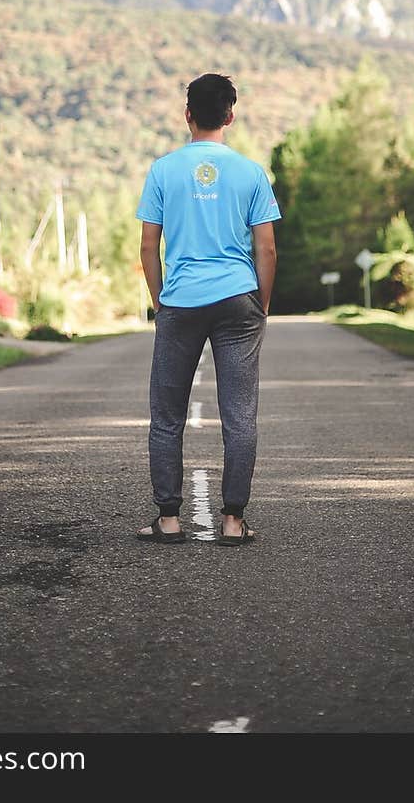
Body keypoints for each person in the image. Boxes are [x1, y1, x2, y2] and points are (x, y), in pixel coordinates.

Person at [135, 73, 281, 547]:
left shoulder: (162, 171)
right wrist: (260, 304)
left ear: (188, 115)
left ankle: (169, 519)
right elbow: (268, 249)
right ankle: (234, 521)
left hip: (180, 299)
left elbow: (148, 246)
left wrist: (161, 302)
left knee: (167, 414)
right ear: (230, 116)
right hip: (238, 298)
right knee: (240, 416)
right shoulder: (251, 173)